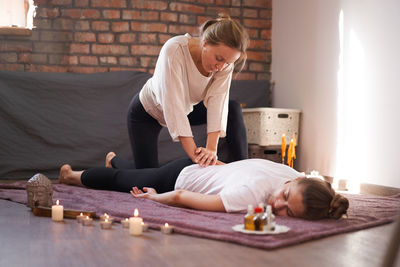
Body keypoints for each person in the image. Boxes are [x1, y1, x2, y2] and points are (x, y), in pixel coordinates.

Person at [122, 14, 250, 169]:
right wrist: (199, 158)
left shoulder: (224, 65)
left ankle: (243, 171)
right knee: (147, 180)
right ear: (205, 42)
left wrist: (211, 151)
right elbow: (174, 106)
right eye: (219, 58)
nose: (221, 67)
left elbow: (218, 103)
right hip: (147, 113)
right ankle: (114, 161)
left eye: (229, 63)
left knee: (233, 108)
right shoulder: (174, 50)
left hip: (187, 108)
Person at [59, 154, 349, 220]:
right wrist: (156, 198)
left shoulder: (291, 173)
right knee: (124, 182)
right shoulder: (251, 195)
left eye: (288, 212)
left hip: (205, 169)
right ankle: (71, 175)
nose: (277, 205)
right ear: (297, 180)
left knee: (136, 172)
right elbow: (183, 197)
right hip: (180, 177)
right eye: (285, 197)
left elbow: (323, 192)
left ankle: (115, 161)